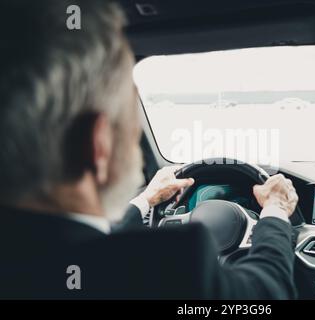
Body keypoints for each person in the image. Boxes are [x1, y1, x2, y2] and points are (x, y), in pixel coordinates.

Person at [0, 0, 299, 299]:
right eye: (132, 132)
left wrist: (146, 199)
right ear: (97, 146)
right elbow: (264, 297)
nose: (137, 150)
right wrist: (274, 210)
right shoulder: (165, 267)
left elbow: (88, 244)